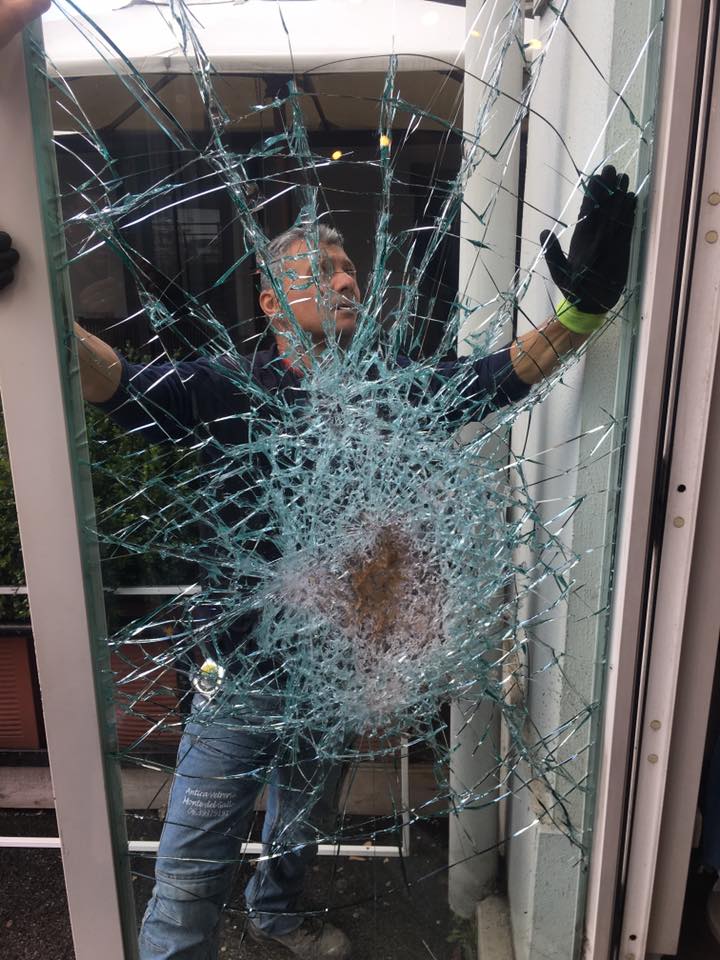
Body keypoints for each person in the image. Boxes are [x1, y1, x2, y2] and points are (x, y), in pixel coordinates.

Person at [0, 6, 637, 956]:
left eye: (347, 268)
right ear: (269, 299)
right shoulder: (229, 390)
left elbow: (498, 376)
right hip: (241, 676)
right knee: (191, 863)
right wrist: (36, 309)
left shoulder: (391, 394)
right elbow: (114, 383)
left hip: (338, 670)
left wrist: (582, 312)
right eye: (319, 269)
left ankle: (280, 914)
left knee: (301, 824)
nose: (344, 281)